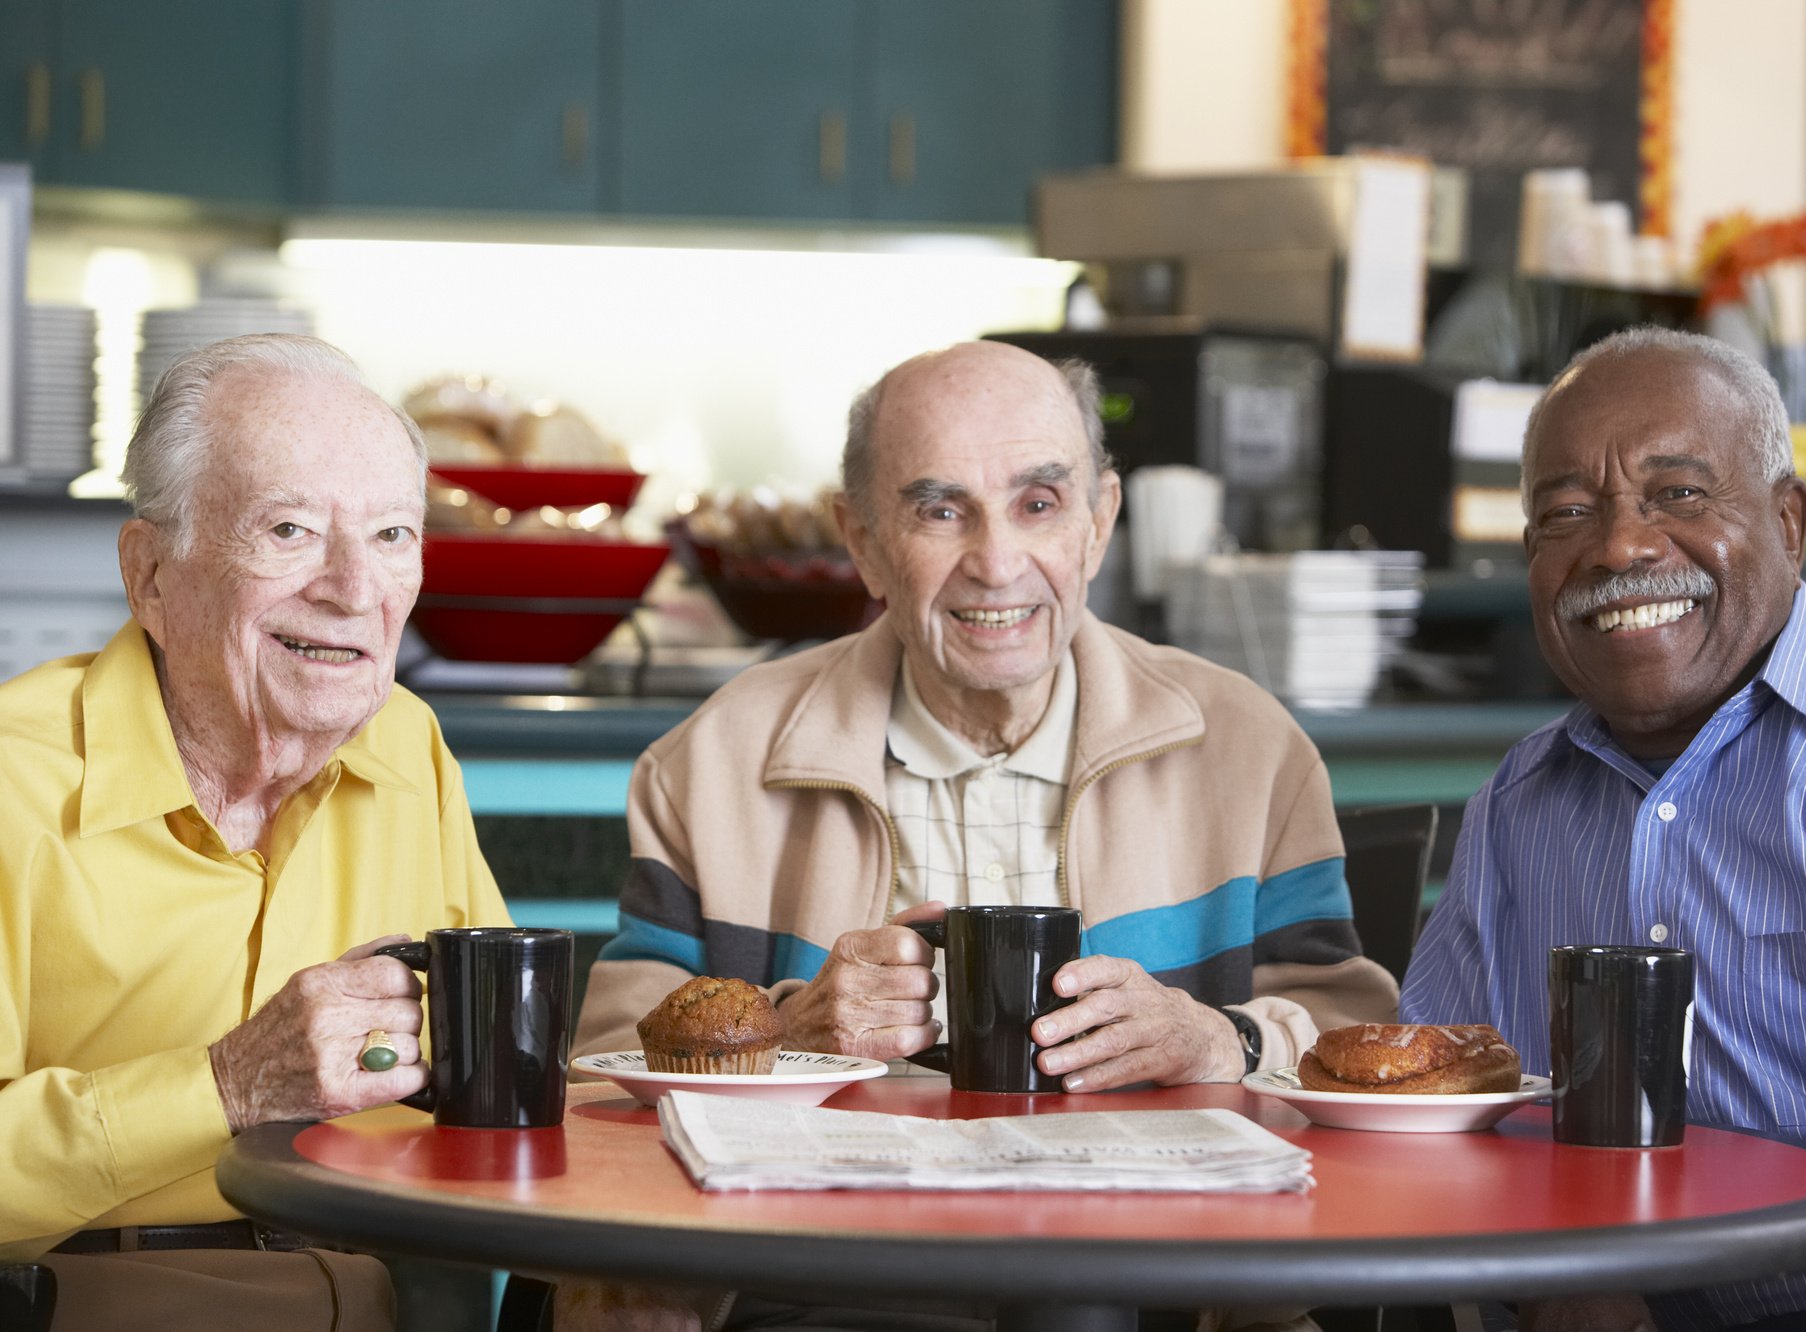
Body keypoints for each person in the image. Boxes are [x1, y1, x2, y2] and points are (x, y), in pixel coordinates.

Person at [567, 339, 1396, 1331]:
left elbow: (1353, 1048)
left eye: (1038, 505)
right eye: (939, 510)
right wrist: (789, 1037)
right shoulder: (713, 764)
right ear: (863, 541)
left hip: (1164, 1286)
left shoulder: (1248, 749)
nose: (996, 564)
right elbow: (600, 1087)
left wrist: (1215, 1037)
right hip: (808, 1282)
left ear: (1098, 524)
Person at [1401, 327, 1806, 1332]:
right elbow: (1438, 1124)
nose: (1619, 546)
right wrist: (1552, 1275)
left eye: (1676, 493)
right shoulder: (1517, 804)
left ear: (1787, 520)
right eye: (1565, 513)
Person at [0, 333, 510, 1331]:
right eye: (287, 531)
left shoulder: (408, 746)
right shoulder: (14, 780)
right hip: (89, 1302)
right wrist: (224, 1085)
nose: (353, 590)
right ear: (151, 574)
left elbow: (494, 1075)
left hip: (390, 1289)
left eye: (392, 536)